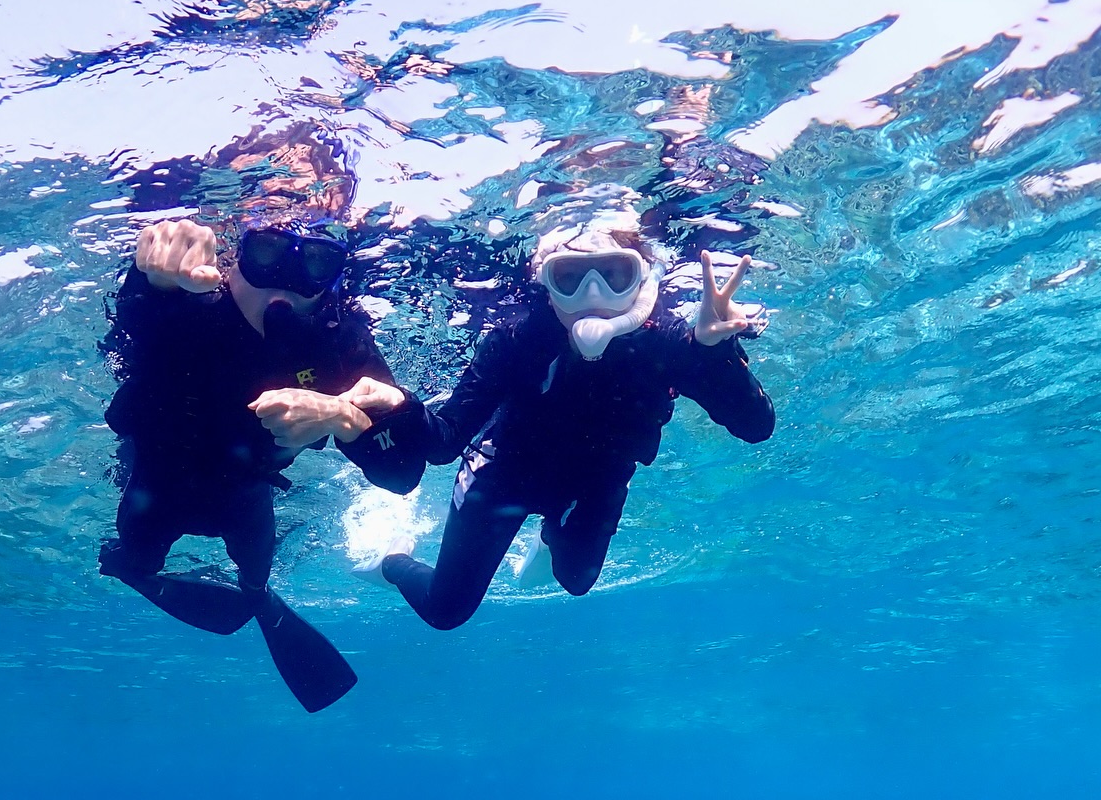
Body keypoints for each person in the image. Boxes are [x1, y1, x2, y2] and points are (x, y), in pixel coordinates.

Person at [100, 213, 433, 711]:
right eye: (265, 256)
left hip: (247, 490)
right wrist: (151, 275)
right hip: (155, 480)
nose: (286, 287)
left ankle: (256, 601)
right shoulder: (189, 308)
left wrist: (348, 419)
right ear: (232, 266)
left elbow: (402, 474)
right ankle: (134, 570)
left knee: (254, 581)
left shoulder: (338, 344)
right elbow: (137, 317)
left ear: (330, 286)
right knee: (136, 560)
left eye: (316, 264)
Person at [379, 214, 775, 629]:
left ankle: (551, 534)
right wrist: (401, 404)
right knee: (446, 612)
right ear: (547, 287)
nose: (593, 295)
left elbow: (755, 427)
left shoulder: (670, 341)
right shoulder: (515, 341)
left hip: (595, 482)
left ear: (642, 281)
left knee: (576, 581)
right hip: (502, 475)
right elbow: (444, 444)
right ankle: (392, 561)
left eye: (612, 274)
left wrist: (716, 351)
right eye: (570, 277)